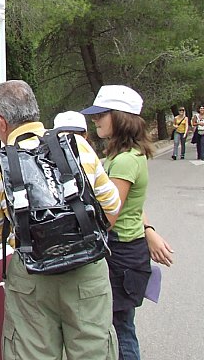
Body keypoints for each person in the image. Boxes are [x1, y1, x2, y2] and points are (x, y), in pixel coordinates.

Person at [0, 80, 122, 360]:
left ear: (1, 121)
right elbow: (112, 205)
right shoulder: (76, 145)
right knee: (94, 351)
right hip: (86, 270)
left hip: (31, 279)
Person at [81, 85, 174, 360]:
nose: (95, 120)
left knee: (120, 328)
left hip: (120, 253)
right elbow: (133, 206)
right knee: (120, 325)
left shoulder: (122, 161)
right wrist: (148, 230)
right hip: (127, 250)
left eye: (102, 114)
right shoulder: (122, 156)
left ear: (120, 118)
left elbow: (110, 217)